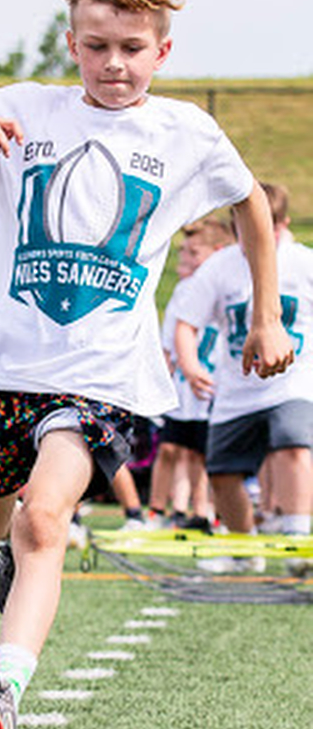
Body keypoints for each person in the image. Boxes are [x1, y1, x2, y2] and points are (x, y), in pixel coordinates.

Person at [0, 0, 294, 729]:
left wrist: (268, 316)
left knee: (47, 520)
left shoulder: (184, 131)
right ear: (71, 41)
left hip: (105, 378)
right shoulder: (21, 107)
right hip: (8, 371)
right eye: (97, 46)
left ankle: (3, 691)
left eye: (133, 49)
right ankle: (10, 554)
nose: (114, 66)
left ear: (163, 50)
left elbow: (253, 206)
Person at [175, 183, 313, 545]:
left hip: (292, 381)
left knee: (293, 445)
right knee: (222, 472)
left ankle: (297, 540)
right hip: (237, 385)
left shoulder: (303, 263)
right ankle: (243, 548)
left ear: (282, 223)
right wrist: (190, 366)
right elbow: (186, 322)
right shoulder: (221, 267)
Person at [132, 217, 234, 529]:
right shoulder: (184, 291)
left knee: (200, 455)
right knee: (170, 448)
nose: (184, 260)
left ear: (217, 253)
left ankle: (201, 512)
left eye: (193, 253)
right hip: (183, 387)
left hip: (213, 387)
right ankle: (159, 511)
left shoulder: (227, 287)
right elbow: (169, 342)